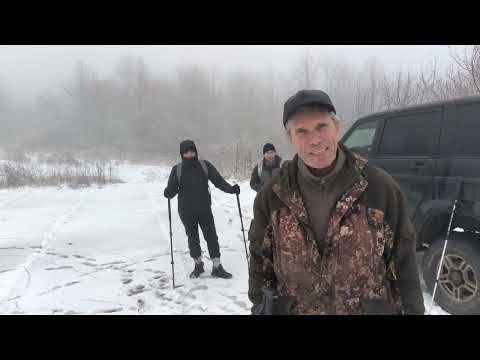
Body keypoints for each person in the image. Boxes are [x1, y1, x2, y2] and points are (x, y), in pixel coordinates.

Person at [248, 90, 425, 315]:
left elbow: (404, 263)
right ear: (290, 138)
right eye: (302, 131)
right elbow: (259, 265)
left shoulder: (380, 188)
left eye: (321, 126)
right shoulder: (272, 195)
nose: (315, 140)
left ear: (337, 127)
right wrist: (260, 309)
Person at [164, 140, 240, 279]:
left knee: (211, 236)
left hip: (204, 209)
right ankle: (198, 265)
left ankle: (217, 266)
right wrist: (168, 192)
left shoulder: (205, 166)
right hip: (186, 212)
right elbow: (172, 189)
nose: (190, 153)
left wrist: (231, 189)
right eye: (186, 151)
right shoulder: (177, 169)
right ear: (182, 153)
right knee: (193, 238)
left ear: (195, 151)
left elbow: (218, 181)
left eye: (192, 150)